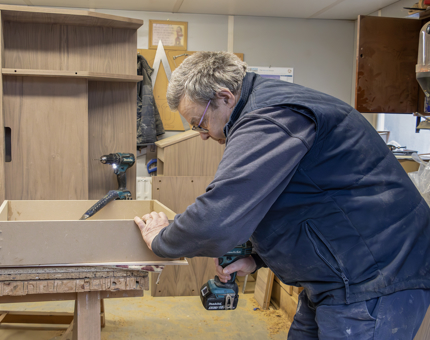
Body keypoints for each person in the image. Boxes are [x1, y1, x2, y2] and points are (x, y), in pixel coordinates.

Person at [134, 51, 430, 339]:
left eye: (200, 123)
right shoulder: (263, 109)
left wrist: (162, 238)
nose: (202, 134)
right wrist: (256, 256)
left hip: (375, 278)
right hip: (335, 278)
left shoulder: (271, 116)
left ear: (225, 97)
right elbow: (294, 199)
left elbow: (218, 217)